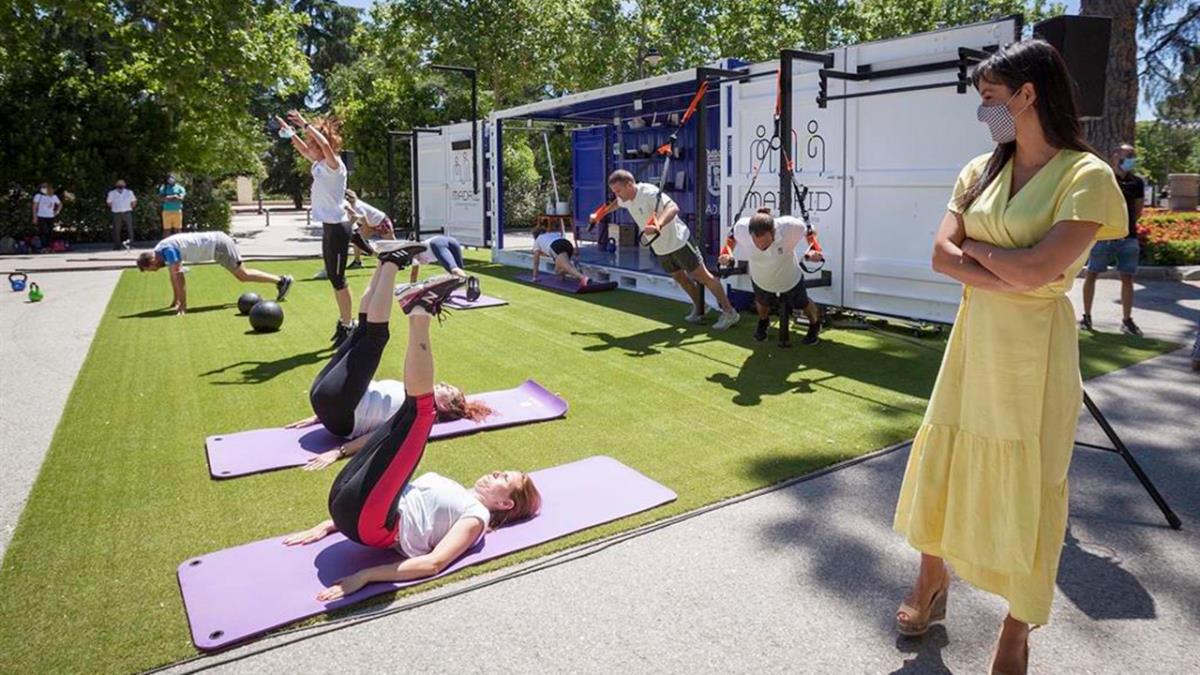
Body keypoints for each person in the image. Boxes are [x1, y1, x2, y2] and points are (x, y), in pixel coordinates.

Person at [891, 40, 1127, 675]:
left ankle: (1016, 628)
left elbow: (1043, 268)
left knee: (1033, 482)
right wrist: (1011, 272)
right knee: (948, 460)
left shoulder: (1087, 176)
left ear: (1029, 93)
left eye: (991, 97)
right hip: (974, 343)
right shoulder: (978, 170)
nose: (983, 111)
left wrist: (988, 263)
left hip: (1035, 358)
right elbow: (942, 254)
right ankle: (929, 586)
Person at [282, 255, 541, 598]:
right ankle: (418, 307)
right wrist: (327, 526)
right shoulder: (457, 493)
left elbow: (433, 563)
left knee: (420, 413)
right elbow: (386, 488)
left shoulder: (476, 517)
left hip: (371, 524)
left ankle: (420, 312)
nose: (495, 472)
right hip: (348, 507)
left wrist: (367, 576)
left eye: (503, 479)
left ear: (506, 504)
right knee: (409, 411)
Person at [285, 243, 493, 471]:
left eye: (448, 389)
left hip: (339, 409)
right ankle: (385, 262)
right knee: (363, 329)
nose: (443, 383)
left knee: (376, 336)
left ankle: (392, 262)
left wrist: (339, 451)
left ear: (444, 405)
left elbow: (379, 435)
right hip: (328, 400)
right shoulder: (415, 394)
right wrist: (319, 417)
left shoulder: (422, 413)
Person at [593, 170, 740, 330]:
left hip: (679, 241)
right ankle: (701, 307)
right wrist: (599, 214)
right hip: (661, 247)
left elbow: (673, 207)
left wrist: (658, 224)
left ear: (629, 185)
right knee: (679, 277)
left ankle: (729, 312)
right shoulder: (625, 197)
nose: (617, 195)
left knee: (701, 275)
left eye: (618, 191)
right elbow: (616, 203)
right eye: (614, 191)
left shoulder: (649, 193)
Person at [277, 111, 372, 346]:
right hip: (329, 228)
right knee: (333, 276)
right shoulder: (319, 164)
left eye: (313, 144)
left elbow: (324, 144)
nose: (310, 148)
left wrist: (306, 124)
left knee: (339, 279)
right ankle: (346, 322)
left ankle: (348, 325)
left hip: (339, 227)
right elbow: (302, 149)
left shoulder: (334, 164)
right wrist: (290, 132)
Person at [719, 208, 823, 347]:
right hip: (760, 278)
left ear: (774, 231)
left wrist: (814, 249)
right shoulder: (742, 228)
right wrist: (727, 253)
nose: (762, 247)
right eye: (757, 243)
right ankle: (763, 322)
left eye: (766, 243)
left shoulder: (789, 227)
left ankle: (815, 325)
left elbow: (810, 231)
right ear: (750, 234)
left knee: (802, 303)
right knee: (762, 304)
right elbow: (730, 239)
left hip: (789, 277)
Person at [135, 231, 294, 315]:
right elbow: (173, 274)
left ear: (152, 261)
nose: (154, 271)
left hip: (218, 245)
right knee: (243, 274)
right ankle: (281, 281)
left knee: (242, 275)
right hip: (216, 246)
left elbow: (179, 276)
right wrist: (176, 300)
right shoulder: (161, 250)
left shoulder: (167, 250)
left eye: (151, 269)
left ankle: (281, 281)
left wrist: (183, 305)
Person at [1080, 143, 1145, 337]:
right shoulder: (1104, 178)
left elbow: (1138, 210)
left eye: (1133, 154)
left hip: (1128, 238)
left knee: (1127, 277)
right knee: (1092, 274)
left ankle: (1127, 320)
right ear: (1115, 156)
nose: (1132, 158)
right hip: (1103, 237)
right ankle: (1087, 316)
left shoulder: (1137, 182)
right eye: (1128, 154)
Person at [343, 189, 396, 270]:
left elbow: (366, 225)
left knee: (392, 244)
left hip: (381, 222)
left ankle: (403, 259)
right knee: (357, 241)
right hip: (370, 224)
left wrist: (364, 239)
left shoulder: (357, 207)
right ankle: (357, 262)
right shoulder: (349, 208)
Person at [107, 179, 137, 250]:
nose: (120, 185)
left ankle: (130, 245)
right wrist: (116, 208)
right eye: (119, 183)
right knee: (116, 230)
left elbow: (134, 202)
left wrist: (129, 208)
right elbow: (109, 203)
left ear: (124, 185)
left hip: (127, 212)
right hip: (116, 213)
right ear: (116, 185)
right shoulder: (111, 193)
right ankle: (117, 246)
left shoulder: (129, 192)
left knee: (130, 229)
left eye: (122, 183)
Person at [31, 182, 62, 252]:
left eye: (45, 187)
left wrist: (56, 212)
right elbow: (34, 207)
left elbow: (60, 204)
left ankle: (48, 247)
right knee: (44, 231)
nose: (43, 189)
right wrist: (34, 217)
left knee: (50, 232)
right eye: (42, 187)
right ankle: (44, 247)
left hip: (50, 216)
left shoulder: (54, 197)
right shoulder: (38, 196)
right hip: (41, 216)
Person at [159, 174, 186, 239]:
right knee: (166, 230)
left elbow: (181, 198)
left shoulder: (180, 188)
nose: (170, 179)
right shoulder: (164, 187)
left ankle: (179, 244)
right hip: (166, 211)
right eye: (169, 178)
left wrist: (169, 198)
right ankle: (166, 244)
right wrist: (174, 197)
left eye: (172, 178)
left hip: (177, 211)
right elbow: (162, 198)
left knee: (178, 229)